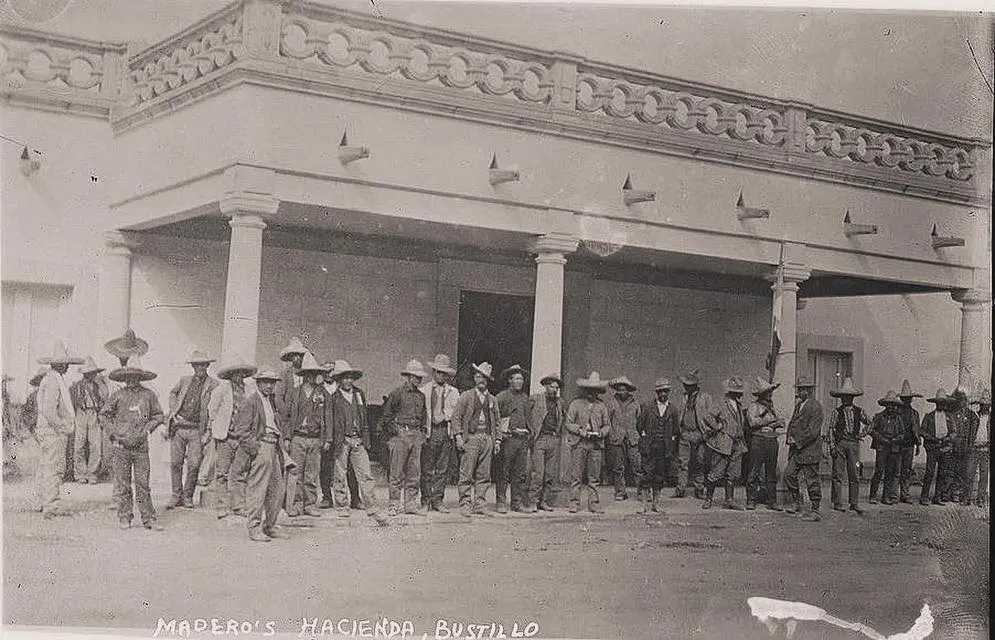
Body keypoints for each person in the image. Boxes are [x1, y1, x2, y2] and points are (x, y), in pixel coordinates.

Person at [101, 356, 165, 530]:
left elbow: (158, 415)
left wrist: (147, 430)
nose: (131, 380)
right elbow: (104, 415)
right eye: (128, 377)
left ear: (140, 378)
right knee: (123, 484)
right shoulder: (117, 395)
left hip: (140, 447)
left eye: (135, 376)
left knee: (143, 483)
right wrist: (113, 433)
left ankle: (148, 518)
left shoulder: (148, 395)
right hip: (120, 446)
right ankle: (124, 516)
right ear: (124, 378)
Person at [325, 360, 389, 525]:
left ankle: (372, 506)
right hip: (342, 440)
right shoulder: (334, 398)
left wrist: (365, 438)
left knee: (365, 474)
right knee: (340, 474)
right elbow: (330, 421)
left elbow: (364, 418)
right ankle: (342, 505)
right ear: (339, 379)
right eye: (344, 378)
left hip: (358, 440)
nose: (348, 381)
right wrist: (332, 440)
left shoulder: (359, 394)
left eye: (350, 377)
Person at [229, 369, 291, 542]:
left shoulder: (272, 401)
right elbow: (241, 431)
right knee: (258, 489)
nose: (270, 385)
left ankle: (270, 525)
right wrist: (256, 449)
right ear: (258, 383)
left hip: (274, 446)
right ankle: (254, 527)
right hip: (261, 445)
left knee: (277, 490)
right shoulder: (250, 402)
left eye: (272, 382)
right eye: (266, 382)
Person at [32, 342, 84, 519]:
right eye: (65, 363)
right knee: (54, 467)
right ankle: (50, 505)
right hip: (53, 432)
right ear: (59, 365)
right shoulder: (53, 381)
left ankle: (41, 501)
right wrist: (61, 427)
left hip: (48, 430)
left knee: (46, 466)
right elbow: (49, 410)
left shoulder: (52, 379)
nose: (67, 366)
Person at [165, 350, 219, 509]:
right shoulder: (184, 380)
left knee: (194, 464)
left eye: (202, 365)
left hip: (197, 429)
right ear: (193, 366)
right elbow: (173, 393)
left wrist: (209, 430)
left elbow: (214, 409)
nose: (200, 368)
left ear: (207, 365)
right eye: (197, 365)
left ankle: (188, 496)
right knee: (176, 463)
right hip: (179, 427)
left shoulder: (214, 385)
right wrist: (173, 411)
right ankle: (176, 496)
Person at [208, 355, 257, 519]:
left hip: (242, 438)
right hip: (226, 437)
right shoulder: (221, 390)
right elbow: (212, 411)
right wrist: (219, 426)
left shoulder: (250, 391)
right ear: (230, 375)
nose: (238, 376)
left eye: (241, 373)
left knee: (240, 472)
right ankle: (222, 505)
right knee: (222, 472)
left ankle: (239, 505)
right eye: (235, 373)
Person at [380, 359, 429, 516]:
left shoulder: (421, 396)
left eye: (419, 377)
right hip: (401, 435)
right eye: (415, 376)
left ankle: (410, 504)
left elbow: (424, 416)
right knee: (396, 472)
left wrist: (422, 433)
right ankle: (394, 504)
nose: (418, 379)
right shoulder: (397, 393)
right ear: (408, 376)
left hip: (416, 436)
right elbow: (386, 416)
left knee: (414, 473)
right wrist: (397, 431)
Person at [452, 362, 502, 517]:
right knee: (466, 473)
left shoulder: (492, 399)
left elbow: (497, 421)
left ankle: (480, 504)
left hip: (487, 438)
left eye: (485, 378)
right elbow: (456, 417)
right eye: (479, 377)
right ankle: (465, 504)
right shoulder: (466, 396)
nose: (482, 380)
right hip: (471, 438)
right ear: (474, 378)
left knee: (484, 474)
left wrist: (497, 440)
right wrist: (458, 436)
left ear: (488, 381)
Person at [285, 351, 330, 517]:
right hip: (298, 437)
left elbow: (328, 417)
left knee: (312, 474)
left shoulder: (323, 394)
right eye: (308, 373)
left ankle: (310, 504)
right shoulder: (295, 392)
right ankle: (296, 504)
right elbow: (287, 417)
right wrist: (287, 438)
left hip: (315, 438)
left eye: (314, 373)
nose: (311, 376)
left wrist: (327, 439)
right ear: (303, 374)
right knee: (296, 473)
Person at [566, 371, 611, 514]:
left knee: (594, 477)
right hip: (579, 444)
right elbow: (568, 423)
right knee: (576, 476)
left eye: (595, 390)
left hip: (595, 445)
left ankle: (594, 504)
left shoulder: (601, 406)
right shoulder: (575, 404)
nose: (592, 393)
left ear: (598, 391)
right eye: (589, 390)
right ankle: (574, 503)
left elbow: (607, 425)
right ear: (585, 390)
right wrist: (580, 430)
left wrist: (601, 433)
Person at [419, 354, 460, 513]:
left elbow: (457, 411)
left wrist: (445, 415)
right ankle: (425, 500)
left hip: (445, 431)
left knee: (442, 469)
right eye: (438, 372)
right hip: (429, 432)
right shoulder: (424, 390)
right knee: (427, 468)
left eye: (444, 373)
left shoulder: (453, 392)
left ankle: (438, 500)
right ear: (433, 372)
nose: (441, 376)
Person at [702, 376, 748, 510]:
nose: (740, 393)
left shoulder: (738, 404)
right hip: (723, 443)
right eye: (737, 390)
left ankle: (729, 500)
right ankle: (708, 499)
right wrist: (717, 426)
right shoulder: (721, 403)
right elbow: (707, 416)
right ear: (730, 391)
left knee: (732, 473)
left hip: (737, 443)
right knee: (716, 472)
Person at [826, 378, 869, 514]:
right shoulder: (836, 412)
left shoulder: (859, 411)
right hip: (840, 443)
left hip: (854, 444)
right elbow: (831, 429)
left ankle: (854, 502)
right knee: (837, 473)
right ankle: (837, 501)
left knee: (854, 473)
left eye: (849, 396)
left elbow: (870, 423)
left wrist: (862, 434)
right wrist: (832, 446)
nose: (846, 399)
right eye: (844, 397)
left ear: (853, 398)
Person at [784, 376, 824, 521]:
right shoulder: (799, 405)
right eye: (799, 389)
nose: (798, 392)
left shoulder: (816, 407)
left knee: (811, 480)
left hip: (809, 450)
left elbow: (813, 431)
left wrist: (797, 441)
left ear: (808, 391)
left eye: (801, 389)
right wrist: (789, 437)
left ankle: (815, 510)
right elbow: (792, 424)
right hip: (797, 450)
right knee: (789, 475)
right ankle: (797, 502)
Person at [636, 377, 679, 513]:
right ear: (656, 393)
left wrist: (670, 442)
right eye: (660, 391)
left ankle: (656, 503)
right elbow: (639, 425)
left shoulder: (673, 409)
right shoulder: (648, 407)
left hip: (664, 449)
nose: (663, 394)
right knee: (647, 475)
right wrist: (646, 438)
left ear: (669, 392)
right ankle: (645, 504)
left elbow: (676, 429)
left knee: (659, 476)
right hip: (649, 447)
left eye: (665, 391)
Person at [527, 373, 567, 513]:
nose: (554, 389)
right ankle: (533, 501)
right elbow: (526, 416)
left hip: (553, 439)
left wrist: (559, 433)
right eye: (551, 386)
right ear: (545, 386)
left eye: (556, 387)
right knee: (538, 473)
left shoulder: (560, 402)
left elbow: (563, 418)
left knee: (550, 474)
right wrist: (531, 432)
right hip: (539, 439)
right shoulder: (535, 399)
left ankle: (543, 501)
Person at [495, 364, 532, 513]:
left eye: (521, 379)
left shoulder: (525, 398)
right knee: (503, 472)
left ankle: (516, 503)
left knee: (519, 473)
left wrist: (528, 432)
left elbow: (529, 418)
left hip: (522, 441)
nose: (519, 382)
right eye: (517, 379)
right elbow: (496, 418)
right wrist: (503, 433)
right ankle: (501, 502)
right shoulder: (501, 397)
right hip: (507, 440)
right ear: (510, 380)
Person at [745, 377, 785, 511]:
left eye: (771, 391)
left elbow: (780, 422)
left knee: (771, 471)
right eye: (768, 392)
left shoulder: (772, 407)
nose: (771, 394)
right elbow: (752, 422)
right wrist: (771, 421)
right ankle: (751, 499)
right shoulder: (754, 406)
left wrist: (773, 423)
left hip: (771, 439)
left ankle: (772, 500)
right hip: (758, 439)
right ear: (762, 394)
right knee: (754, 470)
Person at [674, 368, 715, 499]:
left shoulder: (705, 398)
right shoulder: (683, 398)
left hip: (699, 433)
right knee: (682, 462)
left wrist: (707, 433)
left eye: (689, 385)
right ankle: (680, 489)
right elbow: (679, 415)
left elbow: (711, 416)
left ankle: (699, 488)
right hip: (685, 433)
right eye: (685, 384)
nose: (686, 387)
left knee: (699, 462)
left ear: (695, 385)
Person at [68, 357, 109, 485]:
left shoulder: (98, 386)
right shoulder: (76, 386)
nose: (93, 375)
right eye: (91, 373)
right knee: (79, 445)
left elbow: (105, 397)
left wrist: (101, 383)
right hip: (81, 414)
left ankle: (92, 473)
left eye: (94, 373)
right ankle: (80, 473)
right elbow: (70, 402)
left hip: (93, 414)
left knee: (95, 445)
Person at [607, 376, 643, 502]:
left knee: (637, 466)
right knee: (618, 467)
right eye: (619, 390)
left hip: (633, 438)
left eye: (624, 390)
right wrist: (612, 434)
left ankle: (641, 491)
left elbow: (640, 421)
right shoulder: (611, 403)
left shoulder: (635, 403)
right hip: (617, 439)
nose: (622, 392)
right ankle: (620, 492)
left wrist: (637, 435)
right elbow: (607, 421)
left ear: (628, 390)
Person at [919, 388, 957, 506]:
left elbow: (954, 432)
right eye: (939, 402)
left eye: (943, 402)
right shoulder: (929, 416)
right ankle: (924, 497)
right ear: (936, 403)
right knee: (930, 472)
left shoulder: (949, 417)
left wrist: (948, 438)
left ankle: (937, 496)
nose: (941, 405)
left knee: (942, 473)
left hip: (945, 448)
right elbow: (922, 431)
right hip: (932, 448)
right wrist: (932, 438)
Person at [868, 391, 905, 505]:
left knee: (890, 472)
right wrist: (882, 439)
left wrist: (894, 440)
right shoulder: (879, 417)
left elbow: (902, 433)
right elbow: (871, 430)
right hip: (881, 447)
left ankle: (886, 497)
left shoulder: (898, 419)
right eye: (889, 404)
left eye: (893, 405)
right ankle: (873, 495)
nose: (891, 407)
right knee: (879, 471)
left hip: (893, 448)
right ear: (885, 405)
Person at [948, 388, 977, 503]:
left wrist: (969, 445)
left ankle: (964, 495)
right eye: (959, 400)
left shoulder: (972, 415)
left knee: (966, 472)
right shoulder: (953, 415)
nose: (961, 402)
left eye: (963, 400)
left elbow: (973, 433)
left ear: (966, 401)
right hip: (956, 447)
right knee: (955, 470)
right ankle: (954, 493)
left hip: (967, 448)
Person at [896, 380, 923, 504]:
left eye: (909, 398)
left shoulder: (914, 414)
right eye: (905, 398)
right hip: (898, 444)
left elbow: (917, 429)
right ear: (901, 399)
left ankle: (905, 494)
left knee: (906, 470)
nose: (907, 401)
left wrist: (918, 445)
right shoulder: (897, 413)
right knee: (896, 470)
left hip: (909, 445)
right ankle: (893, 494)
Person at [963, 388, 990, 508]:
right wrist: (969, 445)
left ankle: (980, 499)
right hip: (974, 449)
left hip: (986, 450)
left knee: (984, 476)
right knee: (969, 474)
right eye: (983, 405)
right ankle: (966, 497)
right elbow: (968, 432)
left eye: (987, 405)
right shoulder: (974, 417)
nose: (985, 407)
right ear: (980, 405)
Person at [318, 359, 339, 509]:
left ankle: (351, 498)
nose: (328, 374)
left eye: (331, 371)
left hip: (341, 435)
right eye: (325, 371)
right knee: (324, 467)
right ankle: (327, 497)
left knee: (344, 467)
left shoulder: (342, 389)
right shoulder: (318, 390)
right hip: (324, 435)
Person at [274, 337, 307, 424]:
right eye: (293, 355)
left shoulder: (307, 374)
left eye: (300, 355)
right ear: (290, 358)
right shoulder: (285, 374)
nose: (297, 358)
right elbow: (279, 398)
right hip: (289, 415)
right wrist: (286, 414)